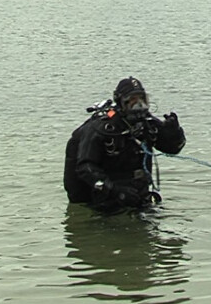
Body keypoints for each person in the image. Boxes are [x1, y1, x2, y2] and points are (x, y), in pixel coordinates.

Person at [64, 76, 186, 212]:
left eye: (142, 99)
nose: (139, 104)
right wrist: (116, 191)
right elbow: (85, 167)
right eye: (132, 100)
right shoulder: (102, 128)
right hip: (106, 195)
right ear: (121, 102)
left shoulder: (147, 124)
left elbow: (173, 149)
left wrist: (174, 132)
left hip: (137, 193)